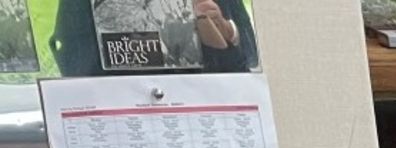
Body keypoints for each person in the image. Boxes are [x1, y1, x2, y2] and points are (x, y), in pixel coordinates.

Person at [51, 0, 258, 75]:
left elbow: (249, 53)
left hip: (207, 114)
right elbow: (72, 57)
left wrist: (227, 31)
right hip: (124, 120)